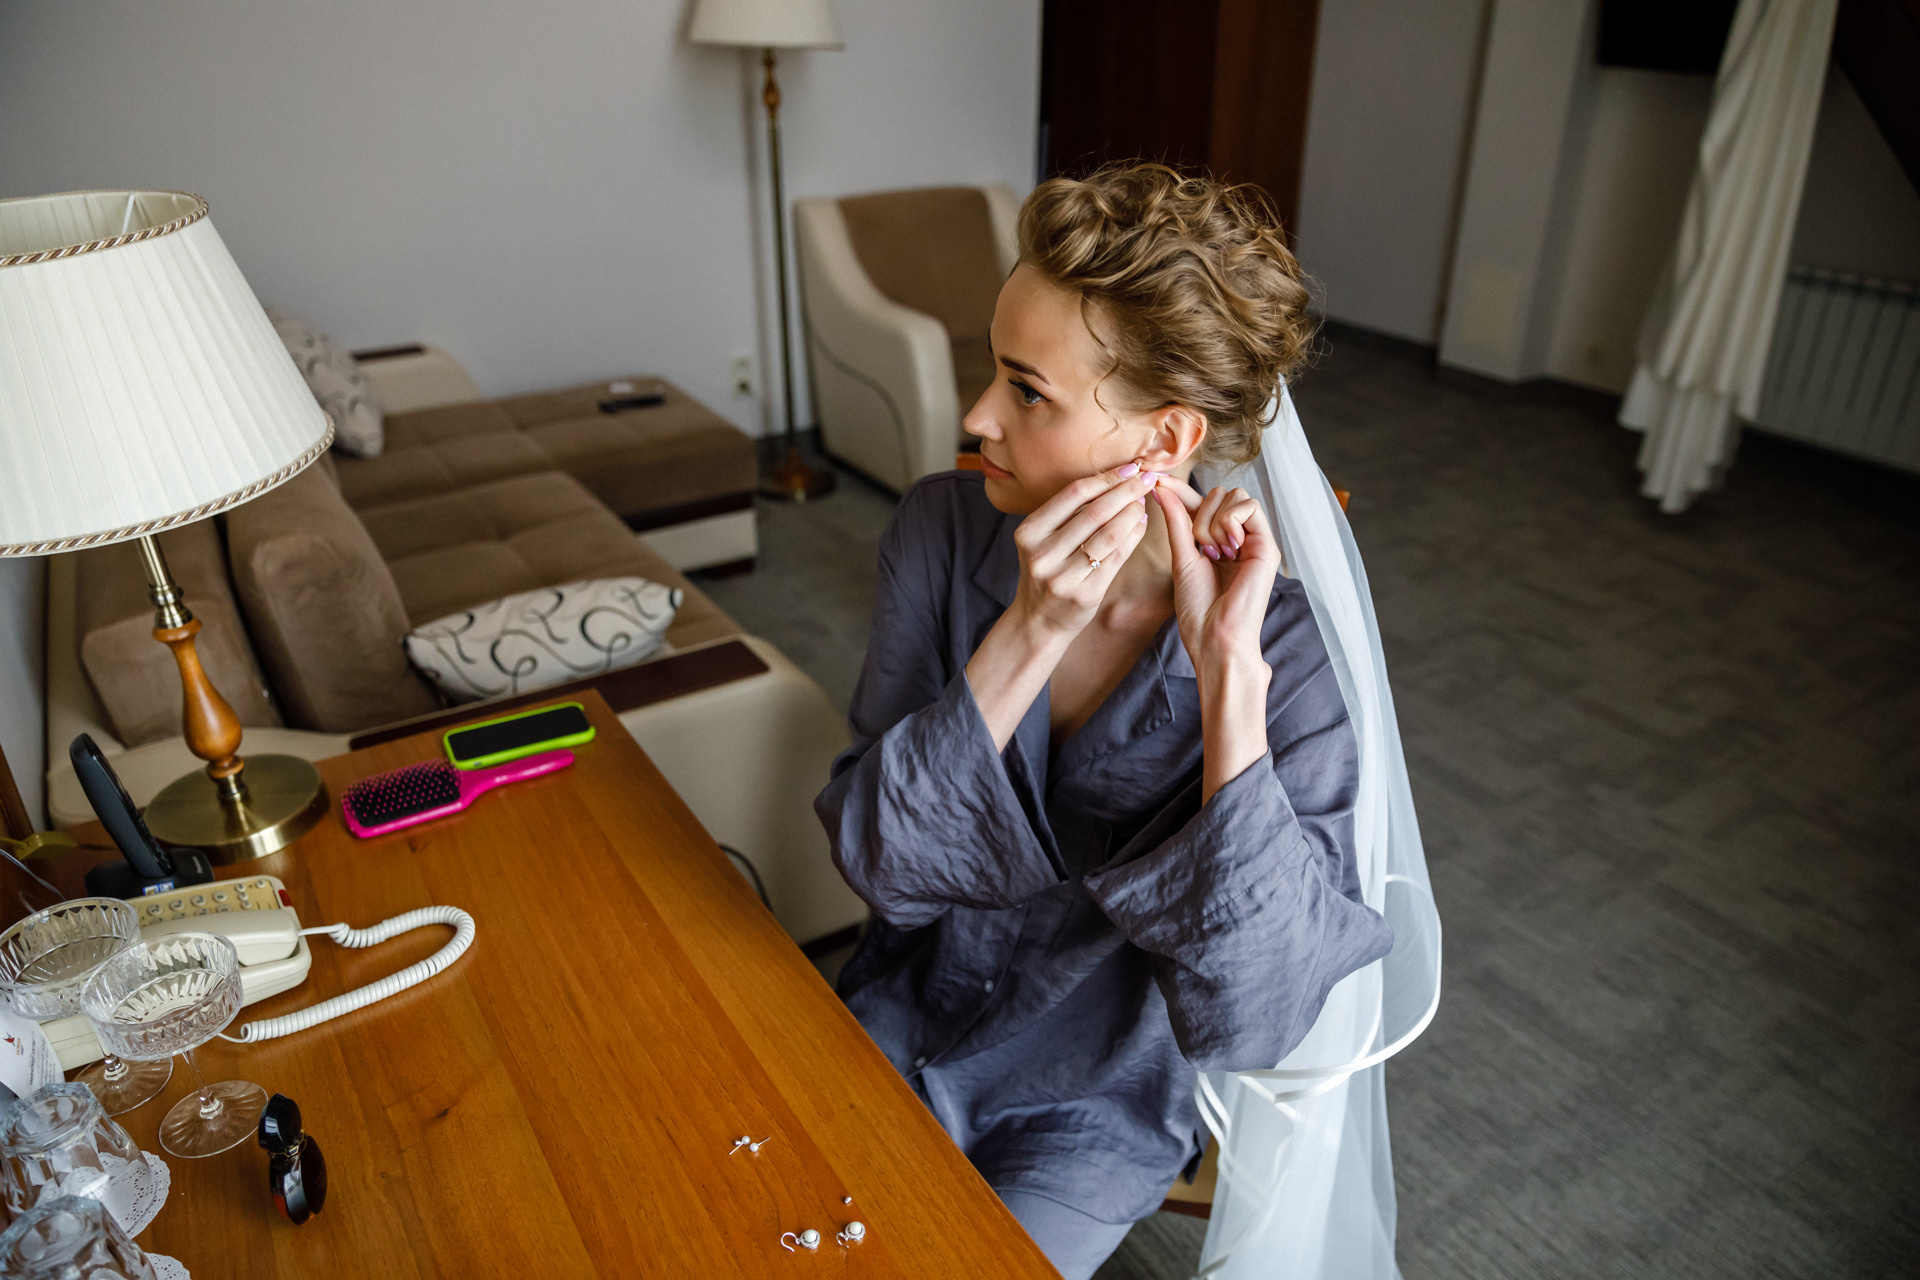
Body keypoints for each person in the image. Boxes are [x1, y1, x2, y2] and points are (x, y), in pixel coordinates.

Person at [814, 163, 1394, 1280]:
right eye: (993, 367)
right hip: (900, 1010)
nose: (975, 415)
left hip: (1096, 1102)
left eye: (1026, 391)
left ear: (1165, 440)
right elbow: (877, 865)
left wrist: (1228, 684)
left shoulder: (1288, 657)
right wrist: (1026, 633)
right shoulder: (936, 533)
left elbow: (1260, 1016)